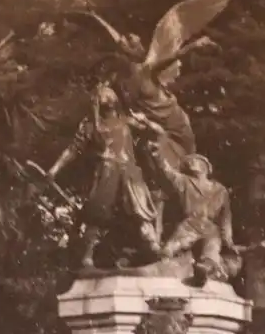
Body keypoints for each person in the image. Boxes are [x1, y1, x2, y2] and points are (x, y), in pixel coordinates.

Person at [47, 83, 160, 268]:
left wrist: (145, 121)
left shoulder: (127, 121)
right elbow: (72, 150)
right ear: (96, 101)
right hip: (106, 172)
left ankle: (154, 247)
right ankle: (87, 257)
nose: (106, 96)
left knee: (141, 213)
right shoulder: (90, 127)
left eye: (110, 93)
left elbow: (158, 133)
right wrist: (54, 169)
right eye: (102, 95)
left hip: (129, 172)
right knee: (97, 214)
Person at [148, 141, 239, 280]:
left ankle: (204, 270)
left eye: (193, 161)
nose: (190, 163)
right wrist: (158, 155)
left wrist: (229, 240)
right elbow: (168, 172)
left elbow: (226, 219)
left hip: (210, 227)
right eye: (187, 163)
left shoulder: (221, 190)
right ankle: (166, 268)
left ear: (206, 167)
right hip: (189, 224)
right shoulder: (184, 181)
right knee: (168, 250)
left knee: (211, 250)